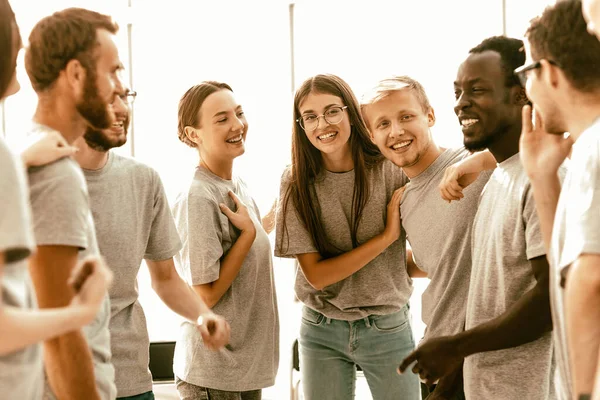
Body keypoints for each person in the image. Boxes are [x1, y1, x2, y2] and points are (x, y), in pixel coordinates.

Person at [399, 36, 557, 400]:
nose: (461, 103)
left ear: (521, 94)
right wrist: (454, 378)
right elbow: (487, 303)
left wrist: (455, 346)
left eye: (477, 89)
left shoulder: (542, 179)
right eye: (457, 91)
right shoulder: (499, 178)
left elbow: (549, 301)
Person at [73, 87, 230, 400]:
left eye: (124, 96)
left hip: (130, 380)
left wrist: (203, 316)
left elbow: (166, 279)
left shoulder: (143, 180)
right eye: (108, 97)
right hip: (58, 380)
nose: (120, 109)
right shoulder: (35, 177)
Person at [275, 73, 419, 400]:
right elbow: (317, 276)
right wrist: (385, 239)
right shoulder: (296, 181)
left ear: (350, 112)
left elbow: (421, 252)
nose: (322, 123)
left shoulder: (389, 167)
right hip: (320, 328)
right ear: (301, 125)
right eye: (310, 117)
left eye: (331, 111)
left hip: (387, 325)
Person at [0, 2, 113, 399]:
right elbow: (59, 335)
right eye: (113, 71)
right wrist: (79, 313)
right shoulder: (54, 171)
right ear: (77, 74)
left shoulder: (20, 156)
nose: (118, 87)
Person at [360, 75, 491, 399]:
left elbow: (538, 140)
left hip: (481, 352)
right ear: (371, 136)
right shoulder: (401, 202)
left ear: (429, 116)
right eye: (383, 124)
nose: (396, 131)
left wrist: (479, 159)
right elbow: (438, 260)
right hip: (435, 355)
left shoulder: (475, 162)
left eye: (406, 116)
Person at [172, 81, 279, 400]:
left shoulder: (234, 184)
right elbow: (203, 296)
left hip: (240, 371)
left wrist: (268, 218)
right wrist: (248, 235)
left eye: (239, 113)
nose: (237, 125)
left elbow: (239, 243)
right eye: (221, 119)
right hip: (214, 375)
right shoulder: (197, 197)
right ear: (194, 134)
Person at [518, 1, 600, 399]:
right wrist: (543, 178)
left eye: (526, 72)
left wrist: (581, 395)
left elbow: (590, 277)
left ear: (548, 71)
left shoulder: (596, 150)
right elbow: (565, 266)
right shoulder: (587, 148)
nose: (524, 90)